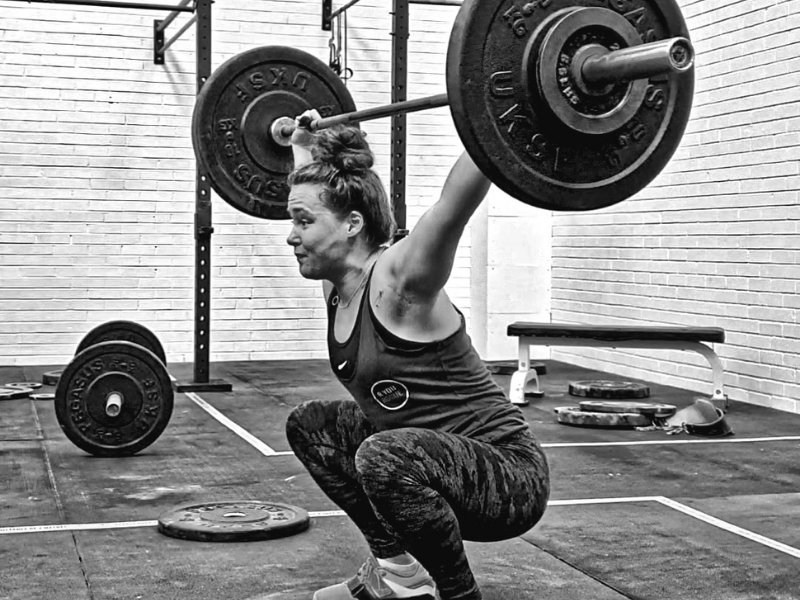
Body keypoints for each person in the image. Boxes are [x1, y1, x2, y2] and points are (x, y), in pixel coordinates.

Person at [284, 110, 550, 600]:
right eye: (292, 220)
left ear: (353, 226)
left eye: (303, 222)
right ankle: (397, 575)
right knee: (312, 426)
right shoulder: (338, 284)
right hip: (426, 460)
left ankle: (457, 594)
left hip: (508, 476)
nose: (291, 235)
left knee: (382, 456)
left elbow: (453, 206)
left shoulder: (399, 282)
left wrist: (503, 117)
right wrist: (303, 144)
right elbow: (322, 194)